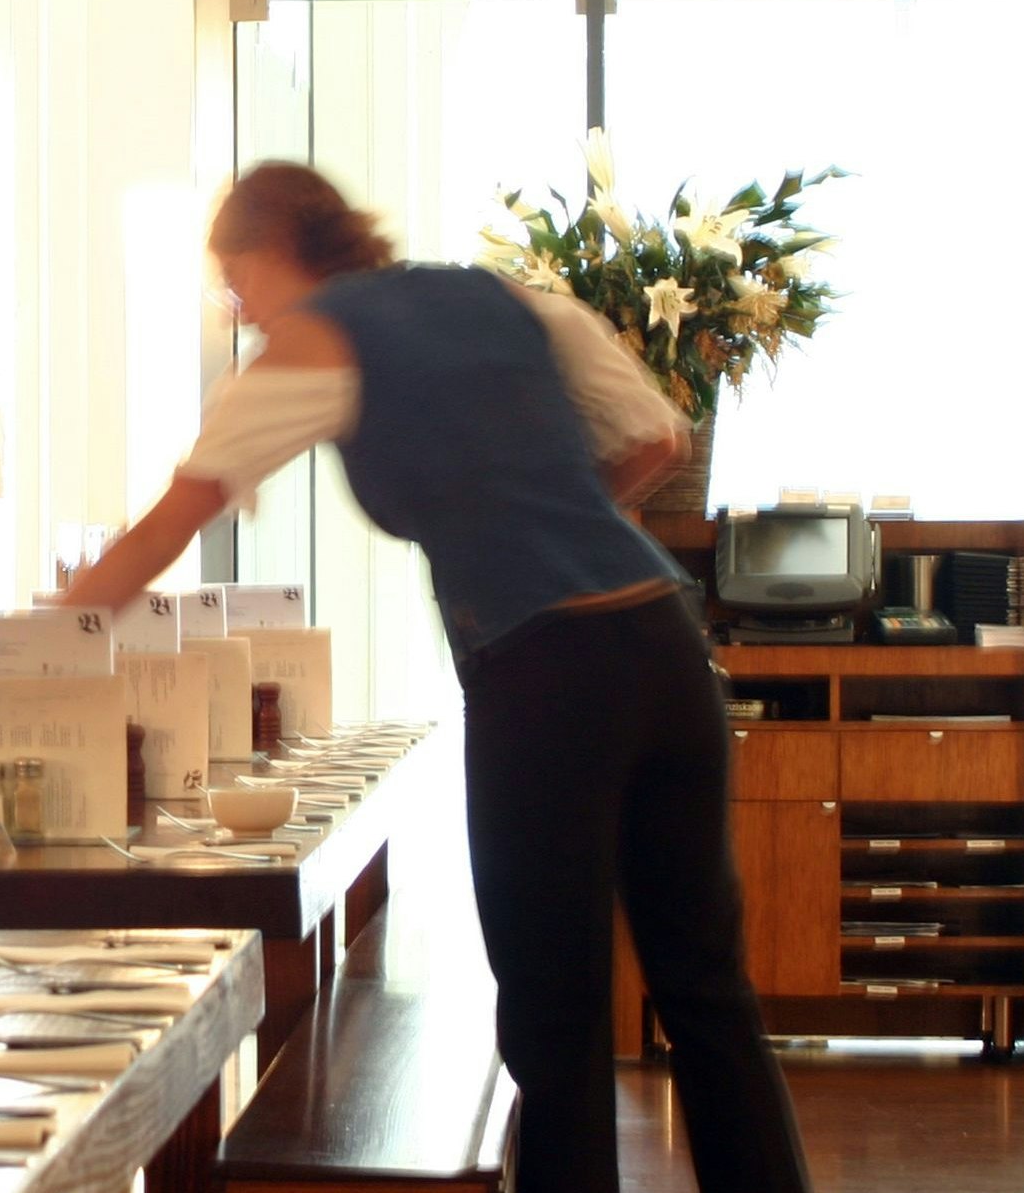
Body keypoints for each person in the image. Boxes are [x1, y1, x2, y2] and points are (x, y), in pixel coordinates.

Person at [59, 161, 812, 1193]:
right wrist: (553, 516)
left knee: (555, 1017)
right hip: (664, 644)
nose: (238, 308)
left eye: (235, 279)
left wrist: (54, 624)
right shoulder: (499, 297)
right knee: (708, 994)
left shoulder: (314, 338)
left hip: (544, 675)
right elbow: (654, 434)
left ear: (276, 253)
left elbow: (174, 517)